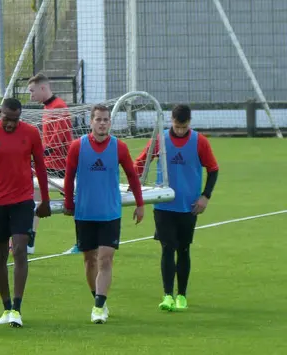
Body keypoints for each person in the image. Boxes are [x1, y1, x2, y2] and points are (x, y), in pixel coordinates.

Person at [0, 98, 52, 328]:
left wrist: (45, 199)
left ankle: (17, 307)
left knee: (21, 250)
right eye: (7, 119)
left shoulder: (32, 133)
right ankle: (6, 307)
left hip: (23, 201)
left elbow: (41, 167)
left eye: (15, 120)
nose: (11, 125)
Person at [63, 104, 145, 324]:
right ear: (91, 122)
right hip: (85, 213)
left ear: (110, 122)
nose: (102, 123)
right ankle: (99, 299)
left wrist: (140, 203)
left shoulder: (119, 147)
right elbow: (69, 177)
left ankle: (98, 307)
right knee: (89, 261)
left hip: (110, 214)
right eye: (98, 119)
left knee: (105, 259)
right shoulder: (77, 147)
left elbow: (132, 175)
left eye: (105, 119)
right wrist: (69, 203)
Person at [134, 104, 219, 312]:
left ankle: (182, 295)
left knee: (183, 249)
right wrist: (134, 186)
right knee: (166, 248)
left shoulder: (200, 142)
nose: (180, 130)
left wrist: (205, 196)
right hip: (163, 205)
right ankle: (167, 295)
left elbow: (213, 169)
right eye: (176, 126)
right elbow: (140, 163)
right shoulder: (160, 139)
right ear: (171, 120)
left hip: (189, 207)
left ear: (189, 122)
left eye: (184, 126)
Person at [27, 73, 74, 254]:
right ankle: (30, 242)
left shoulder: (59, 107)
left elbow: (59, 139)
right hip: (48, 163)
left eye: (32, 91)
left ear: (43, 88)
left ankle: (83, 241)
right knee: (35, 198)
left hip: (62, 165)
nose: (31, 96)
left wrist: (40, 154)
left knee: (75, 203)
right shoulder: (48, 108)